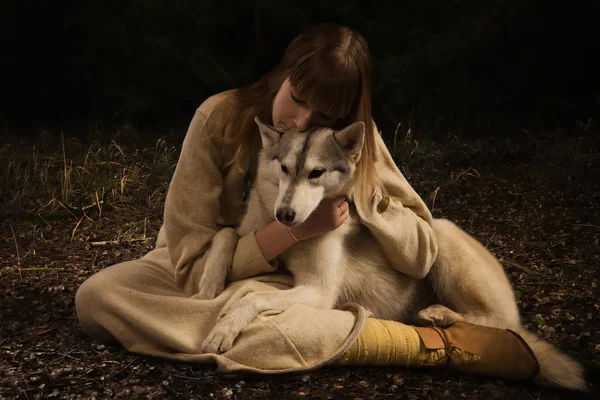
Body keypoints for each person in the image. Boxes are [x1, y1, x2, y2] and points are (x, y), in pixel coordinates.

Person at [74, 23, 541, 383]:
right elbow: (193, 269)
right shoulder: (217, 117)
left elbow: (423, 251)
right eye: (296, 98)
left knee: (259, 319)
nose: (301, 124)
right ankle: (324, 334)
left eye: (325, 115)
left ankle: (420, 344)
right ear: (282, 74)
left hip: (286, 284)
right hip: (218, 272)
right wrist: (292, 230)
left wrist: (360, 193)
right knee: (98, 295)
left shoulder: (348, 139)